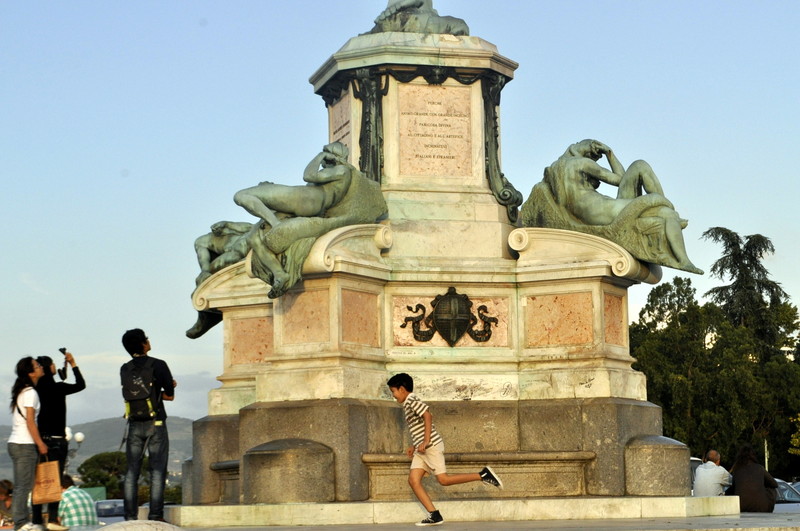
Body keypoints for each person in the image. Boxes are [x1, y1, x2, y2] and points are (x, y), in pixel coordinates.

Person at [539, 139, 702, 274]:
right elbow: (619, 179)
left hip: (603, 208)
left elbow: (623, 179)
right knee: (664, 210)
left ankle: (672, 224)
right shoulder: (581, 163)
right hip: (606, 210)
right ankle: (683, 259)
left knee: (639, 166)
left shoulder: (555, 169)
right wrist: (610, 153)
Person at [387, 373, 503, 527]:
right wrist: (415, 445)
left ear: (402, 389)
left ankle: (483, 475)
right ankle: (434, 515)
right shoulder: (408, 403)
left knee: (443, 480)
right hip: (422, 450)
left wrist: (426, 441)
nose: (393, 396)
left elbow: (428, 416)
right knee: (413, 480)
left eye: (393, 391)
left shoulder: (412, 400)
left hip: (431, 447)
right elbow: (419, 426)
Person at [120, 329, 176, 522]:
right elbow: (169, 395)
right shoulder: (158, 365)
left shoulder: (125, 369)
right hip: (156, 422)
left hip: (134, 423)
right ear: (144, 344)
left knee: (131, 472)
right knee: (157, 471)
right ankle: (155, 515)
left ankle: (129, 517)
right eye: (146, 339)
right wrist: (170, 386)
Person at [30, 352, 86, 528]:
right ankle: (53, 518)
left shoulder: (36, 389)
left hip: (41, 440)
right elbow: (81, 385)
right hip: (58, 440)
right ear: (49, 368)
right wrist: (73, 363)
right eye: (52, 364)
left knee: (40, 480)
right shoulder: (59, 387)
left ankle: (37, 519)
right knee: (55, 480)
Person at [7, 357, 48, 531]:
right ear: (31, 372)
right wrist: (40, 444)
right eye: (37, 365)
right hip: (25, 443)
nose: (40, 367)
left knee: (21, 486)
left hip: (16, 442)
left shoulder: (22, 391)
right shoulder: (30, 393)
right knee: (23, 486)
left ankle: (21, 521)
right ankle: (21, 522)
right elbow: (31, 422)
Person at [727, 444, 777, 512]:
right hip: (760, 507)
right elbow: (774, 484)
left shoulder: (737, 470)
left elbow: (733, 487)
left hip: (740, 506)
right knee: (773, 490)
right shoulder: (759, 468)